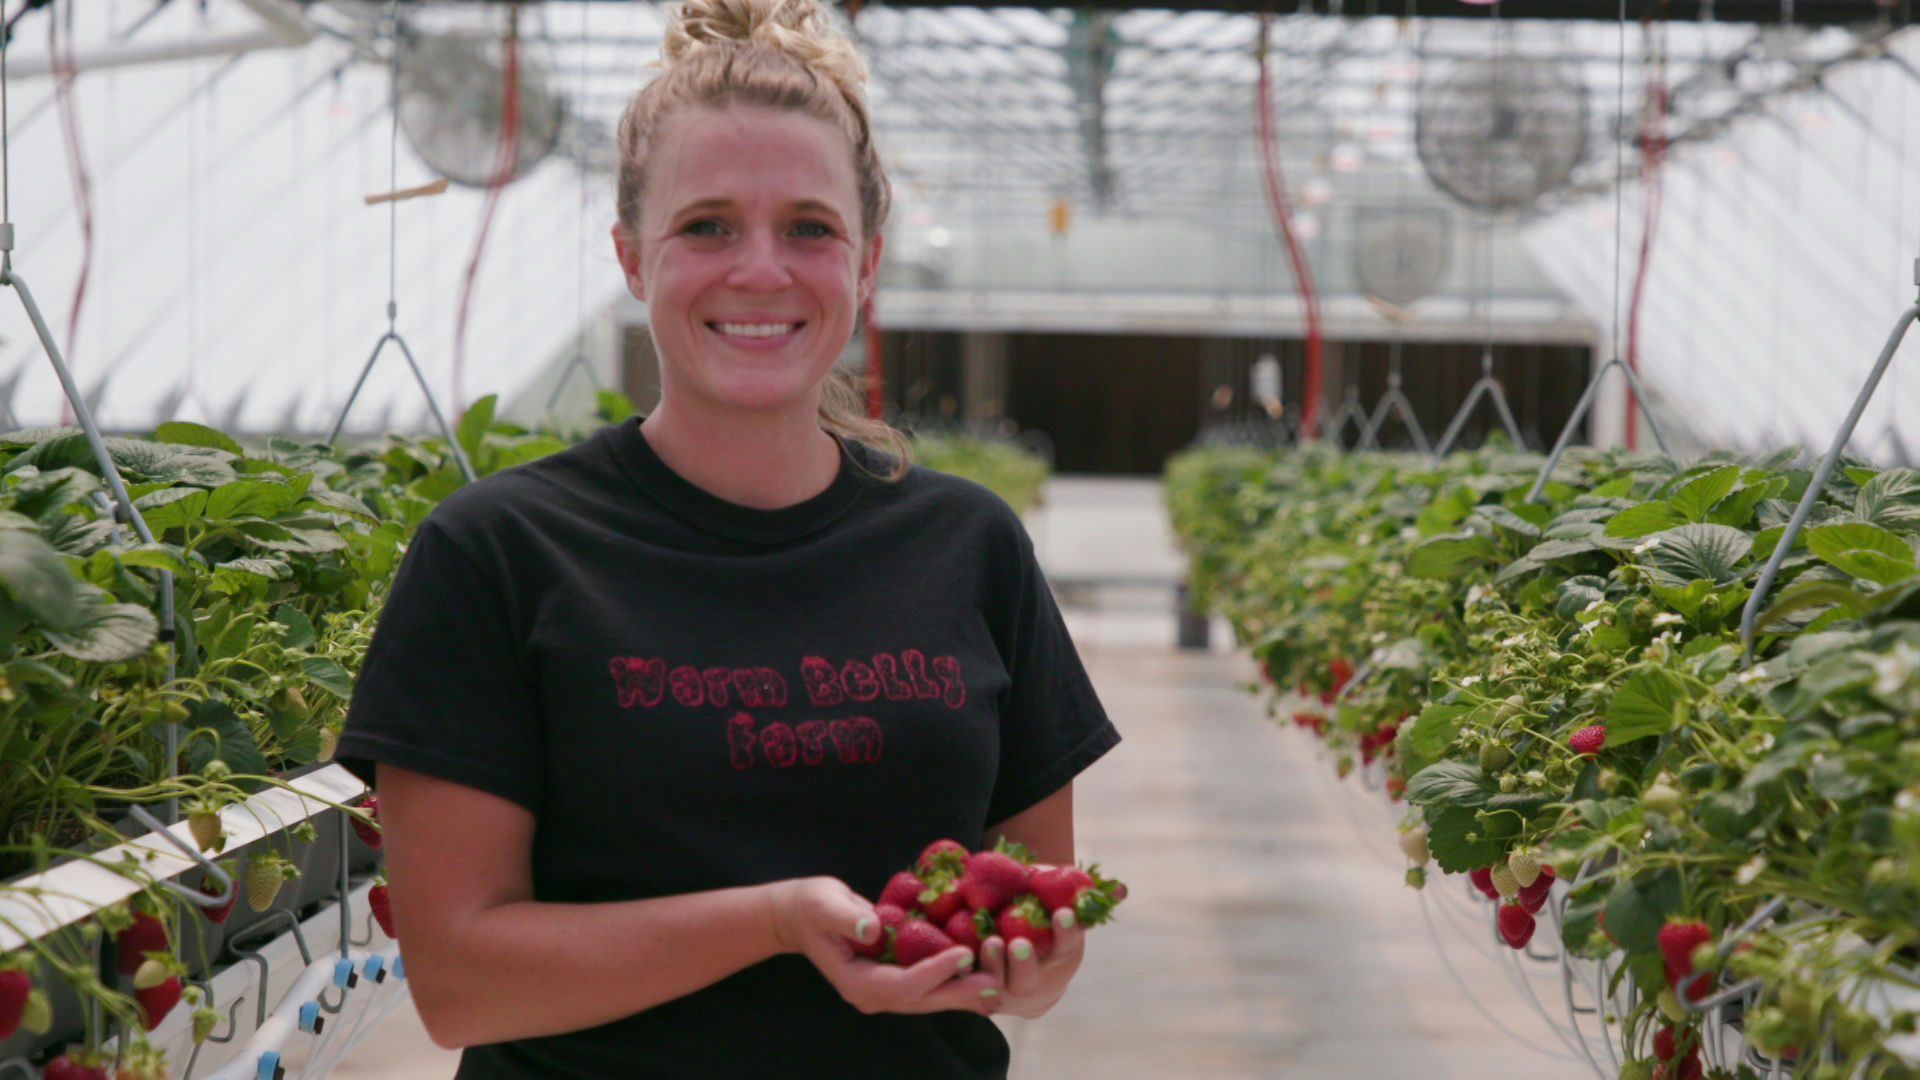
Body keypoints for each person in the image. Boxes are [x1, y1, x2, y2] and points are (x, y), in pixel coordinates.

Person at [336, 0, 1119, 1075]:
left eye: (810, 227)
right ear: (630, 255)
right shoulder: (500, 554)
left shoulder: (968, 544)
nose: (761, 269)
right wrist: (774, 921)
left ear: (868, 261)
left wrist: (1030, 962)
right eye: (707, 225)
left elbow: (1039, 900)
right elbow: (461, 983)